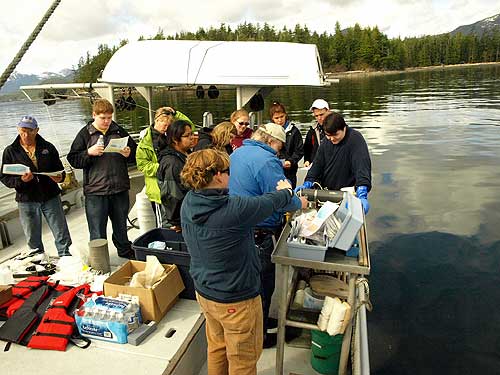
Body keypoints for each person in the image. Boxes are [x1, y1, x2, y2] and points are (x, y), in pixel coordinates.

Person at [180, 148, 297, 375]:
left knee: (217, 348)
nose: (231, 175)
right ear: (217, 176)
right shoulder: (234, 210)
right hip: (236, 299)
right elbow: (270, 202)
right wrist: (287, 190)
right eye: (228, 171)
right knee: (243, 361)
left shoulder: (189, 201)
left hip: (205, 292)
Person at [229, 123, 306, 348]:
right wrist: (299, 202)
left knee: (248, 281)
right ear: (272, 141)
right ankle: (260, 335)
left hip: (239, 229)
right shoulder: (268, 160)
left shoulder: (239, 152)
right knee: (263, 283)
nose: (278, 152)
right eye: (279, 147)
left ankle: (256, 323)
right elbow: (282, 198)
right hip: (261, 232)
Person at [67, 99, 137, 259]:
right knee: (97, 229)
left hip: (119, 187)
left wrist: (129, 154)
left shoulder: (119, 130)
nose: (106, 121)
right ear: (94, 115)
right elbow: (73, 159)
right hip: (96, 191)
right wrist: (88, 153)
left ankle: (125, 251)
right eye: (102, 118)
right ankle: (100, 258)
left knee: (120, 225)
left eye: (109, 118)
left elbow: (134, 152)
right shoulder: (84, 134)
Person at [0, 115, 72, 257]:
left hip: (50, 195)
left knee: (60, 230)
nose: (26, 135)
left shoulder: (48, 147)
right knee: (32, 235)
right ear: (18, 129)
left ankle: (65, 256)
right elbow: (4, 177)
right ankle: (39, 259)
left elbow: (60, 172)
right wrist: (21, 181)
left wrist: (59, 177)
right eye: (22, 131)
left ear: (37, 130)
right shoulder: (10, 151)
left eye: (30, 131)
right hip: (26, 198)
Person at [296, 112, 372, 214]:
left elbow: (362, 166)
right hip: (325, 194)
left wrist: (362, 190)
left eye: (335, 135)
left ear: (344, 128)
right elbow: (317, 165)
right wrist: (308, 182)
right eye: (328, 135)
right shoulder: (327, 142)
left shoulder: (355, 139)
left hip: (346, 196)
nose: (332, 139)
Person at [136, 106, 193, 227]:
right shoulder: (145, 142)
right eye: (163, 123)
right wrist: (161, 168)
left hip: (172, 180)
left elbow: (188, 125)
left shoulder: (170, 136)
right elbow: (142, 165)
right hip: (157, 189)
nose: (166, 127)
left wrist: (175, 113)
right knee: (165, 222)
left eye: (169, 124)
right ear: (156, 120)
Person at [156, 120, 194, 231]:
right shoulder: (172, 163)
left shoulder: (187, 153)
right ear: (175, 139)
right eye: (187, 135)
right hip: (179, 219)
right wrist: (176, 222)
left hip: (189, 210)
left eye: (192, 134)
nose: (192, 137)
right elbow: (171, 194)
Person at [269, 101, 304, 188]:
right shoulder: (269, 132)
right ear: (272, 119)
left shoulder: (294, 131)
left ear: (285, 115)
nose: (280, 120)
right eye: (276, 118)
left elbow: (299, 150)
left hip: (290, 169)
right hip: (274, 167)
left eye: (282, 117)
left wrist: (291, 161)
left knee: (290, 189)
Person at [304, 98, 329, 167]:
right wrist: (307, 160)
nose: (319, 118)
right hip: (317, 166)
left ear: (328, 111)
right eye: (316, 116)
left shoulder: (338, 127)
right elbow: (307, 149)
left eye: (321, 115)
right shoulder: (312, 131)